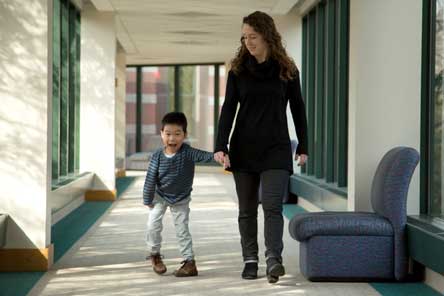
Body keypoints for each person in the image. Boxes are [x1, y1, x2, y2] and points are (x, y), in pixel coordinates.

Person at [214, 11, 308, 284]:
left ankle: (273, 259)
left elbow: (298, 109)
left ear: (267, 35)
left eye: (252, 36)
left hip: (277, 148)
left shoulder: (287, 70)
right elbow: (228, 109)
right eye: (244, 37)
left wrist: (303, 144)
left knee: (272, 207)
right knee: (246, 209)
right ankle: (250, 259)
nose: (248, 42)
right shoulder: (238, 71)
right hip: (243, 148)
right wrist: (221, 145)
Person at [143, 112, 216, 277]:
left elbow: (205, 157)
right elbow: (150, 179)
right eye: (168, 134)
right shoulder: (157, 157)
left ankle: (189, 263)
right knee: (152, 225)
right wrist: (148, 199)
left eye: (177, 134)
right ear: (161, 134)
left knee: (182, 229)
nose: (172, 138)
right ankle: (155, 255)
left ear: (185, 135)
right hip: (160, 196)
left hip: (181, 198)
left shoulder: (188, 152)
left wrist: (219, 156)